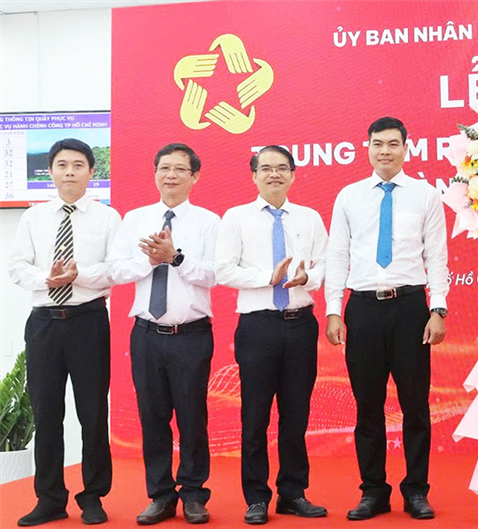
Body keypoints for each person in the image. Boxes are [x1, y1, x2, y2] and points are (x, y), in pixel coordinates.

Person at [325, 117, 449, 521]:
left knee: (415, 406)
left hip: (409, 308)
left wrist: (438, 308)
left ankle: (416, 491)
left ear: (405, 148)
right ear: (368, 148)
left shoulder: (426, 195)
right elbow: (337, 255)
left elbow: (437, 255)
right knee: (368, 407)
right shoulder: (349, 196)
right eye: (378, 143)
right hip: (363, 309)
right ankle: (373, 491)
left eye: (393, 144)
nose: (385, 151)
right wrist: (333, 309)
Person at [8, 138, 121, 526]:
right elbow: (17, 267)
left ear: (92, 172)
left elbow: (116, 268)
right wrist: (48, 278)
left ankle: (93, 496)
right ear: (51, 172)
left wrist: (79, 275)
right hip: (44, 324)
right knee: (46, 413)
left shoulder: (108, 218)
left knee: (93, 413)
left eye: (77, 165)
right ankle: (50, 498)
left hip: (88, 321)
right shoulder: (34, 217)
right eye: (61, 165)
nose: (69, 171)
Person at [216, 145, 328, 525]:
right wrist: (269, 277)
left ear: (293, 175)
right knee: (255, 416)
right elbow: (224, 270)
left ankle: (293, 493)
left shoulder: (310, 218)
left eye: (282, 168)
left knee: (296, 414)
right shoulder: (236, 218)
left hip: (300, 323)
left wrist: (307, 278)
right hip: (258, 326)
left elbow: (325, 264)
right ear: (254, 176)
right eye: (266, 168)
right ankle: (256, 498)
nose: (274, 174)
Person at [109, 143, 219, 525]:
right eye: (164, 168)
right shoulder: (135, 219)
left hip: (191, 335)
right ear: (155, 173)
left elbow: (214, 274)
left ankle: (193, 494)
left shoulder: (209, 222)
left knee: (192, 417)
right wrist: (149, 260)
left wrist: (176, 259)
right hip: (146, 335)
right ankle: (160, 495)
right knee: (152, 417)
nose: (171, 175)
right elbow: (116, 270)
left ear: (194, 176)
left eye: (180, 169)